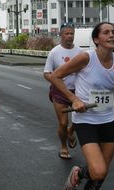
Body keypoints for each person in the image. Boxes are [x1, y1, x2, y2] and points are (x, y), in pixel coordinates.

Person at [48, 22, 114, 190]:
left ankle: (80, 175)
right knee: (98, 170)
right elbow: (54, 76)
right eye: (106, 32)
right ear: (96, 39)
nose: (112, 35)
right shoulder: (86, 58)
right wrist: (74, 99)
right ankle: (78, 173)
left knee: (100, 175)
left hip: (109, 120)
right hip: (86, 120)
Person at [44, 23, 81, 159]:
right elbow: (47, 73)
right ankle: (64, 146)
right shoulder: (54, 52)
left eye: (72, 33)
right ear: (61, 35)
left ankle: (71, 132)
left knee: (80, 119)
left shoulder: (80, 52)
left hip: (77, 91)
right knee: (63, 122)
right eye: (67, 33)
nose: (70, 36)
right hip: (59, 91)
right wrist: (57, 82)